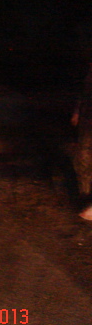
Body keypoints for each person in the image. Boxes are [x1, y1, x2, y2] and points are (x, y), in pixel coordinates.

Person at [72, 63, 92, 220]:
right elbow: (83, 93)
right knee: (82, 160)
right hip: (87, 120)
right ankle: (85, 199)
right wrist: (77, 113)